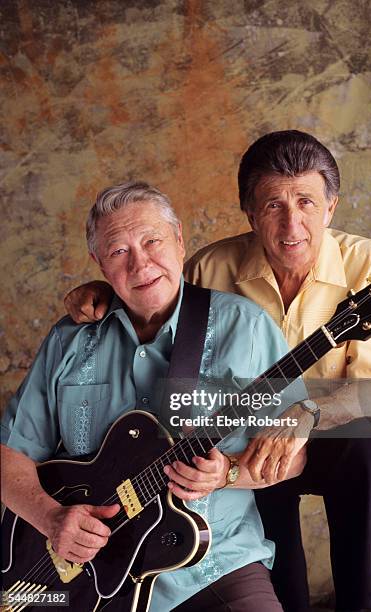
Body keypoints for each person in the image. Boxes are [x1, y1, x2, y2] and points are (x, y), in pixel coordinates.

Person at [63, 131, 371, 612]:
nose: (293, 223)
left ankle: (360, 602)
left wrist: (300, 416)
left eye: (307, 202)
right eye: (273, 206)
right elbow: (152, 299)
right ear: (249, 212)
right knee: (244, 460)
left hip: (326, 432)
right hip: (237, 451)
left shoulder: (365, 261)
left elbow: (369, 394)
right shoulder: (210, 267)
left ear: (331, 207)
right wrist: (103, 284)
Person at [1, 181, 309, 612]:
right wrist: (51, 520)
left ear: (180, 240)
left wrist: (229, 473)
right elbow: (10, 454)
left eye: (152, 241)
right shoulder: (69, 339)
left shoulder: (246, 328)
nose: (141, 264)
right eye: (118, 251)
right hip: (90, 577)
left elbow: (292, 457)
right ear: (99, 264)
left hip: (214, 565)